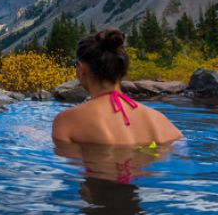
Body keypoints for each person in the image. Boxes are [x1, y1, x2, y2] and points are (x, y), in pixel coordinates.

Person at [52, 28, 182, 146]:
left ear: (81, 68)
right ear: (122, 69)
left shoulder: (67, 122)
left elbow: (73, 163)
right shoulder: (160, 120)